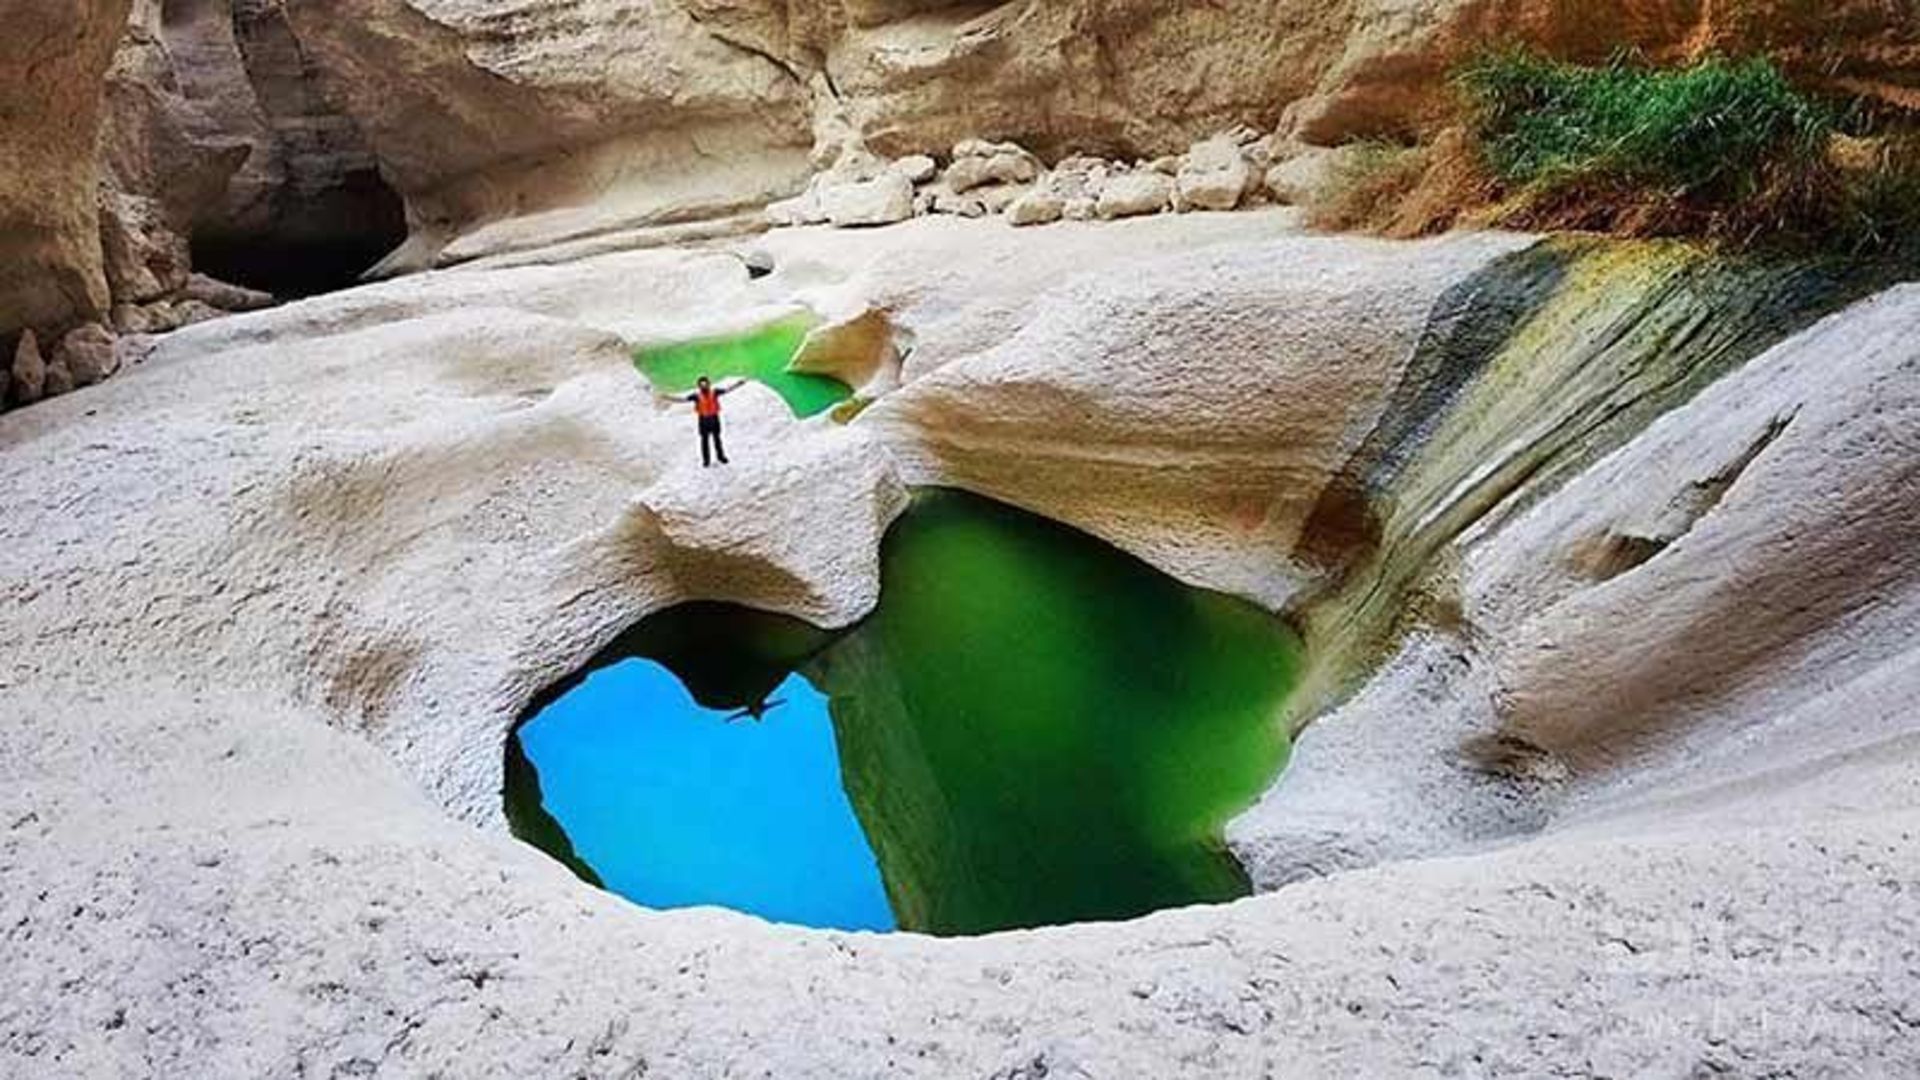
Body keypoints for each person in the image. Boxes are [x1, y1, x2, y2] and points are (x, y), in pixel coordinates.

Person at [675, 375, 745, 467]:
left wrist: (738, 384)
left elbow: (727, 390)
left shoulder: (715, 392)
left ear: (709, 384)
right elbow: (682, 400)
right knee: (704, 441)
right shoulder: (696, 396)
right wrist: (667, 398)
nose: (704, 387)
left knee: (717, 439)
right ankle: (706, 460)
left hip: (714, 418)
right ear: (699, 387)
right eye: (702, 385)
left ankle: (721, 457)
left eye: (705, 385)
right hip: (703, 420)